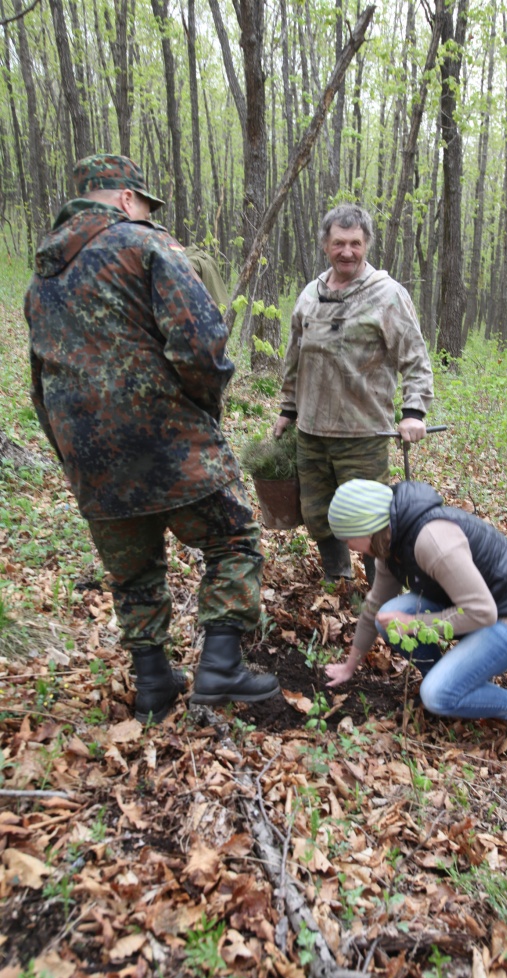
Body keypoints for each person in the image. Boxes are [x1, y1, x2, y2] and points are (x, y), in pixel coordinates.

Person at [25, 154, 279, 723]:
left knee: (133, 569)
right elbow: (203, 345)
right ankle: (219, 666)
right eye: (143, 202)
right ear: (122, 199)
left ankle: (153, 684)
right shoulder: (144, 245)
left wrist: (70, 454)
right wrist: (204, 409)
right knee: (232, 538)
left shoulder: (43, 276)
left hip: (88, 455)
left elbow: (40, 384)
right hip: (165, 438)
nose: (144, 211)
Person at [324, 479, 507, 759]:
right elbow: (374, 606)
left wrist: (413, 625)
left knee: (437, 695)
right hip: (471, 607)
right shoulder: (389, 545)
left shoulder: (431, 541)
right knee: (384, 618)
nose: (348, 546)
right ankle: (446, 681)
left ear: (367, 526)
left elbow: (482, 611)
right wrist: (350, 665)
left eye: (348, 537)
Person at [274, 204, 434, 584]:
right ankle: (338, 578)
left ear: (367, 246)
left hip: (363, 433)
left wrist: (414, 411)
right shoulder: (310, 296)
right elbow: (295, 357)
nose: (347, 251)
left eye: (355, 243)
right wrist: (288, 409)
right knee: (317, 513)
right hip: (312, 432)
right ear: (325, 245)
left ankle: (382, 594)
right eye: (339, 243)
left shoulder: (387, 294)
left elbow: (415, 356)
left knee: (370, 519)